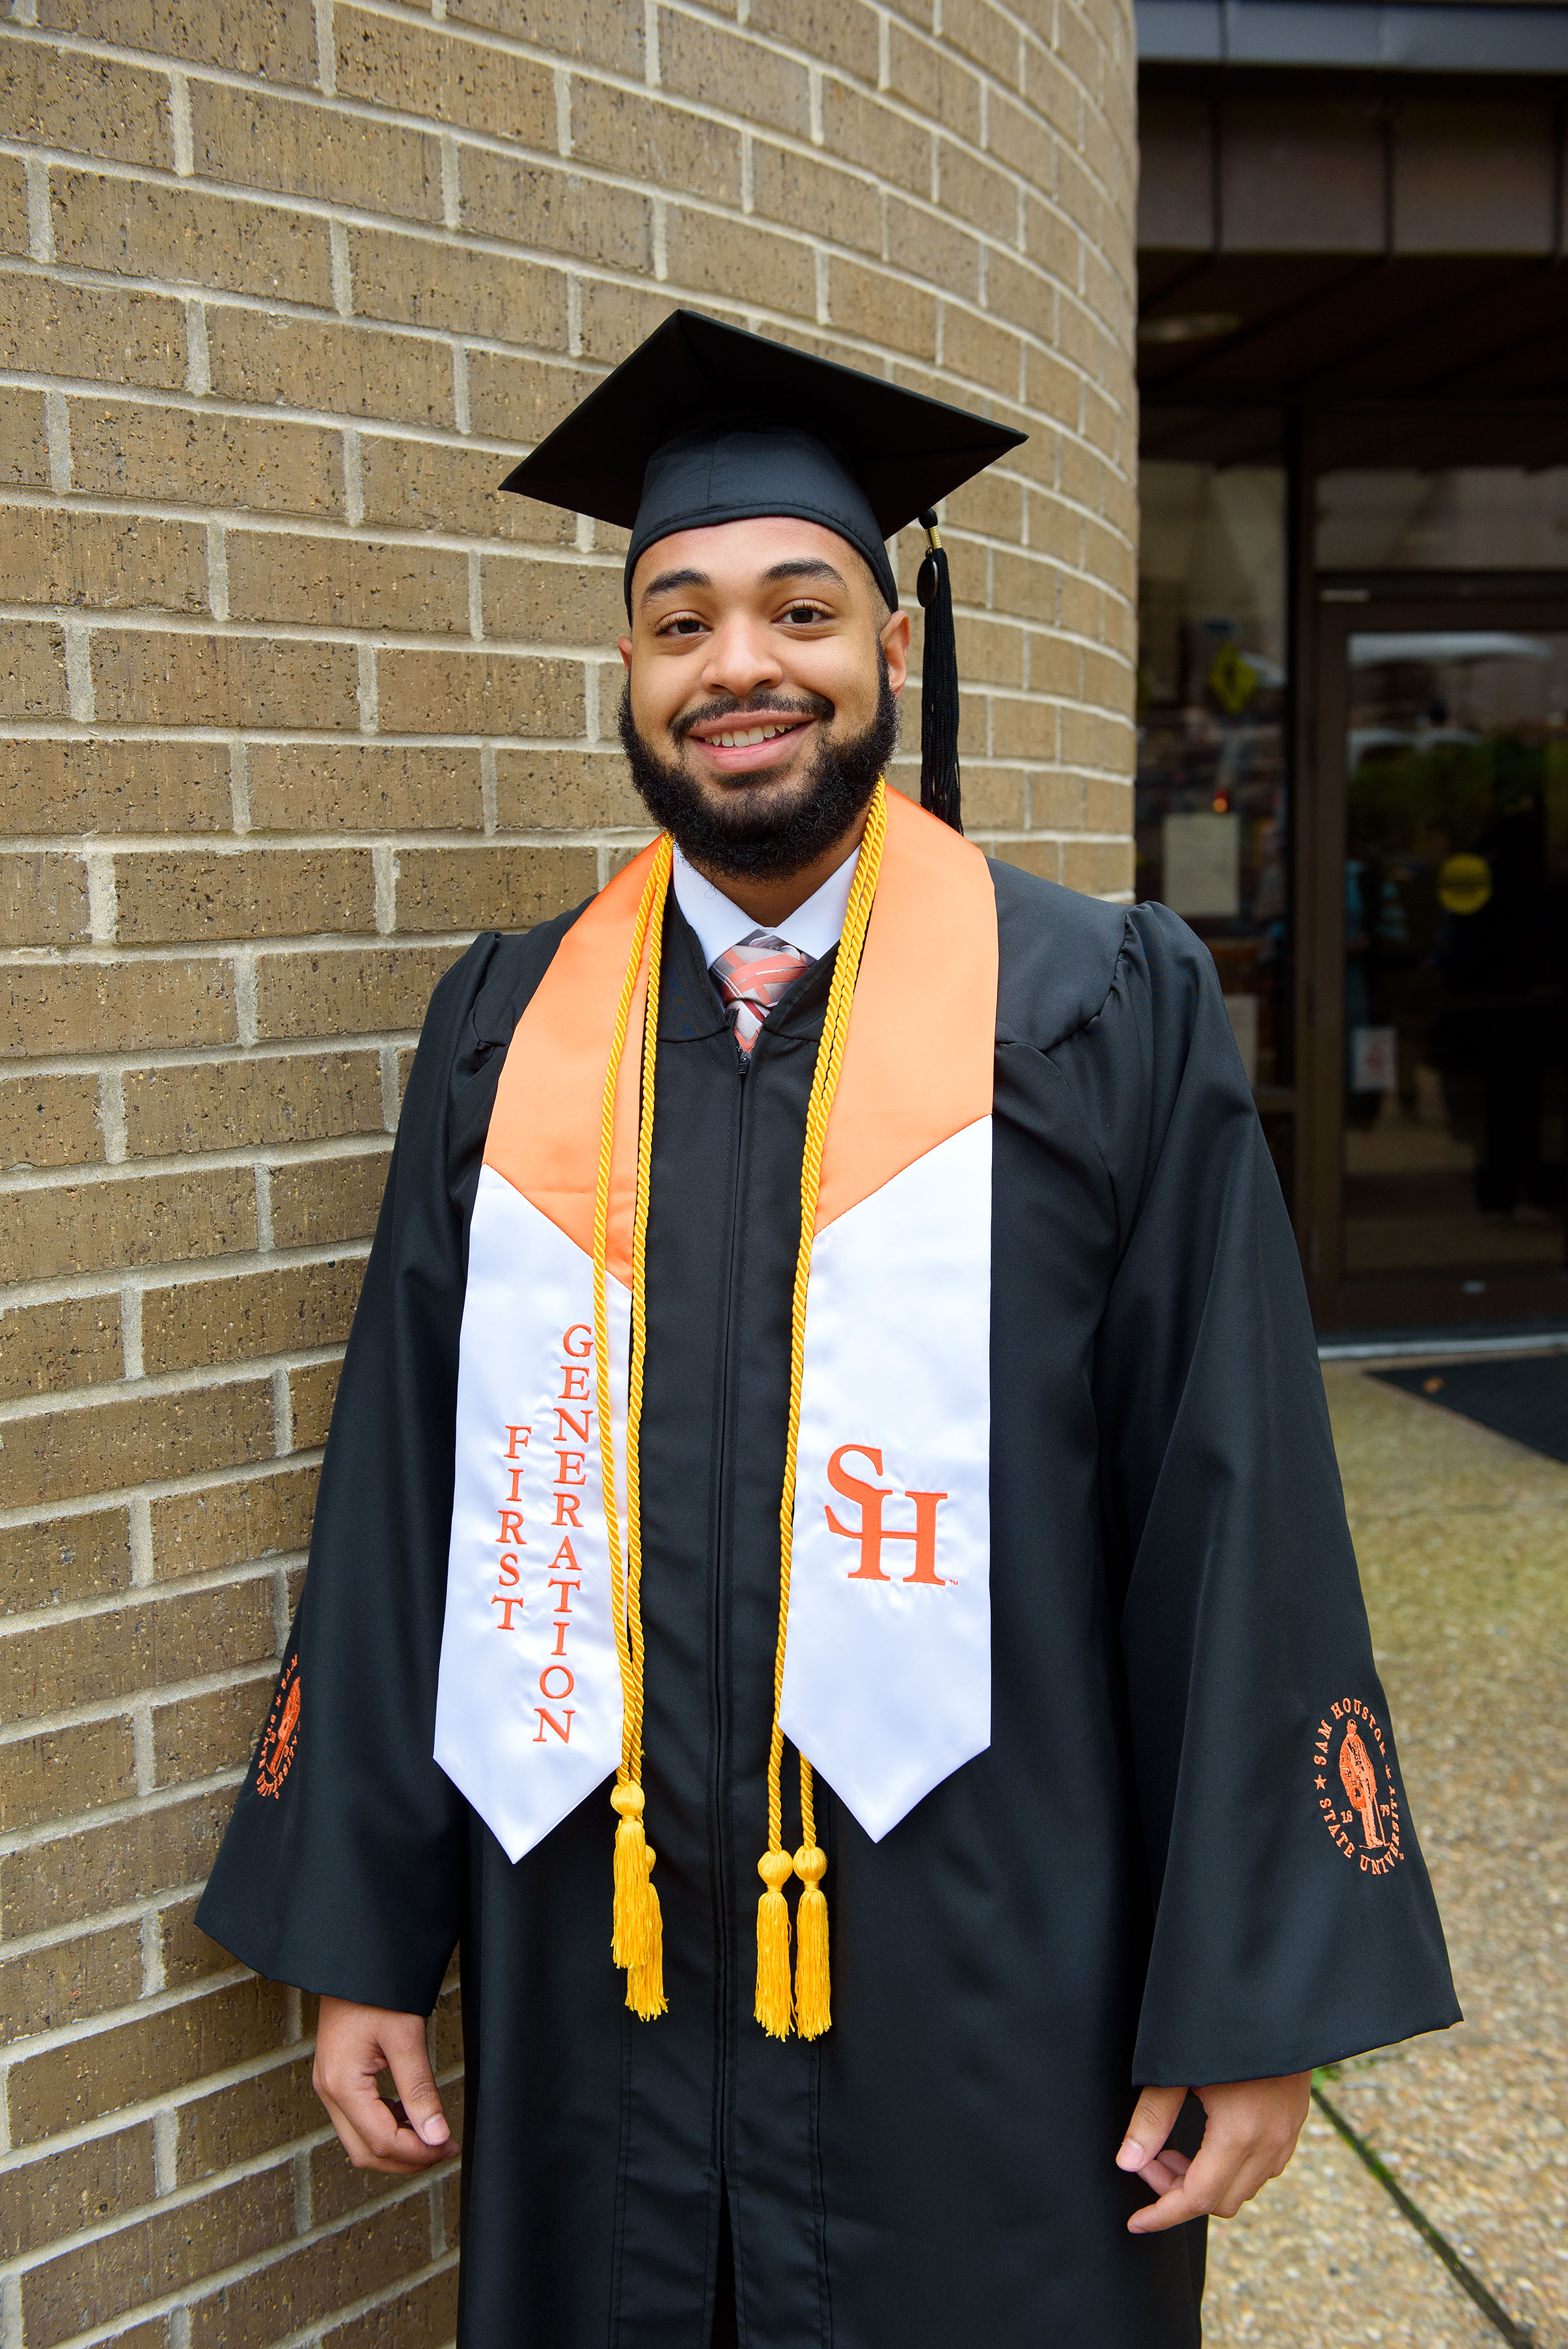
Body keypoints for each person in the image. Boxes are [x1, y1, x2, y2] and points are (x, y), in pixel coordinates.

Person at [199, 311, 1458, 2348]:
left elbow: (1228, 1497)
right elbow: (410, 1492)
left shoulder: (1091, 1008)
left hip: (986, 1980)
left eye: (800, 607)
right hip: (592, 1958)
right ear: (629, 673)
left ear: (889, 645)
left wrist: (1253, 1992)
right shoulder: (511, 1030)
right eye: (676, 620)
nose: (738, 666)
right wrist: (363, 1927)